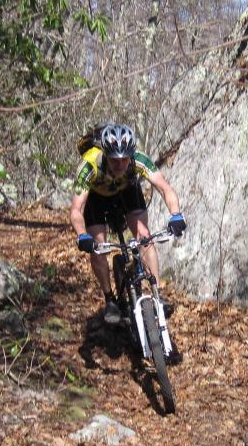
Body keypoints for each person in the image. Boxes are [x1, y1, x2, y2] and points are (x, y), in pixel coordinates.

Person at [69, 123, 186, 324]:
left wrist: (176, 215)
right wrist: (82, 235)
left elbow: (165, 188)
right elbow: (76, 210)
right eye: (115, 160)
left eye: (125, 160)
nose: (121, 165)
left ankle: (156, 293)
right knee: (98, 248)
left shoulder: (138, 159)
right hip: (97, 198)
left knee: (144, 238)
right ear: (105, 154)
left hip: (127, 192)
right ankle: (110, 299)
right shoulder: (89, 165)